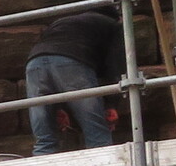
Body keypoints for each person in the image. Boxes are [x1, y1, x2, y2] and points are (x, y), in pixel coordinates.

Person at [25, 8, 126, 155]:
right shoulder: (112, 25)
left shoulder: (62, 22)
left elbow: (51, 58)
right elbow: (115, 65)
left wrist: (58, 107)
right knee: (97, 134)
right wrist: (111, 104)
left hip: (34, 63)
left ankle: (43, 165)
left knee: (45, 139)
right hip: (71, 61)